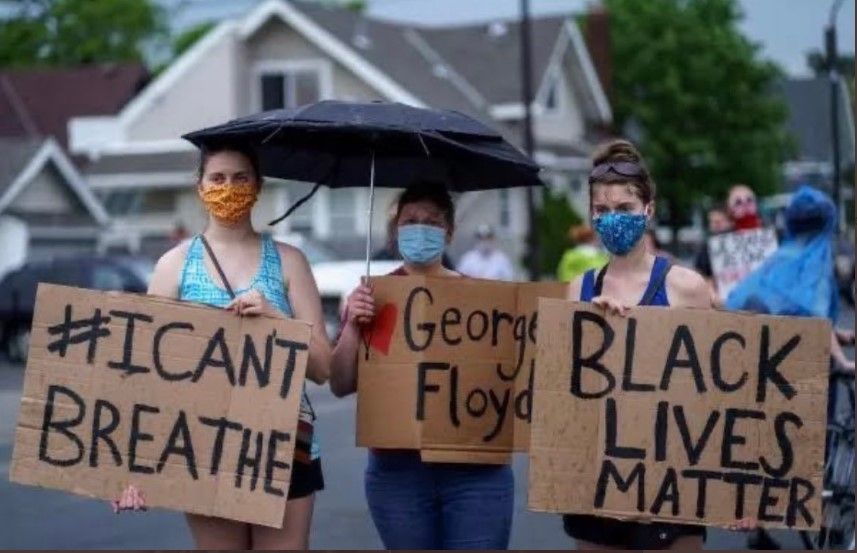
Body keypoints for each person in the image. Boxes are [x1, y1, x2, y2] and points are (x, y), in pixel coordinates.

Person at [111, 144, 332, 550]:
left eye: (240, 177)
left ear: (258, 186)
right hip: (202, 442)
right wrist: (133, 467)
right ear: (200, 188)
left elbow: (322, 367)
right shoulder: (174, 265)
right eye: (217, 178)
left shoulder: (289, 261)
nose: (228, 187)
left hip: (283, 441)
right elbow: (144, 375)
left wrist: (276, 320)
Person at [563, 138, 755, 549]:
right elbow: (564, 390)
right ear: (592, 216)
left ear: (648, 210)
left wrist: (739, 488)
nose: (614, 219)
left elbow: (722, 396)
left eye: (626, 209)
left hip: (674, 486)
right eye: (603, 210)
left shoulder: (686, 287)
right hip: (600, 482)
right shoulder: (579, 289)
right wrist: (593, 328)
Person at [329, 184, 514, 549]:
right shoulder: (374, 298)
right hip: (399, 473)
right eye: (411, 221)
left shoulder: (482, 300)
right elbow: (341, 382)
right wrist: (353, 323)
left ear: (449, 233)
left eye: (431, 222)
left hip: (475, 470)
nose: (420, 229)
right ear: (395, 231)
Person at [725, 185, 854, 373]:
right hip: (793, 359)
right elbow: (816, 316)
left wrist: (835, 332)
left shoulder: (779, 255)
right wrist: (842, 361)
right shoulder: (815, 261)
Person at [693, 205, 733, 304]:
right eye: (712, 222)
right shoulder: (705, 248)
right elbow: (700, 274)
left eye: (719, 222)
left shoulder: (740, 244)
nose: (715, 226)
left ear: (730, 223)